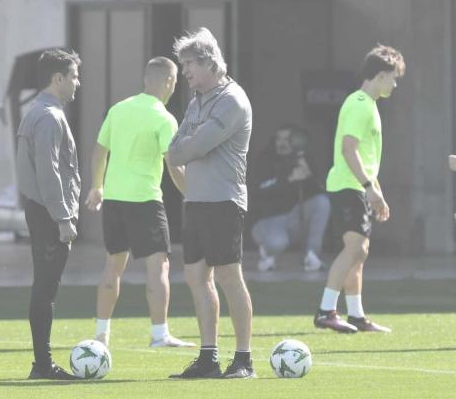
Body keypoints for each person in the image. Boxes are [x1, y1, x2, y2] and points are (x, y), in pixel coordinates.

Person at [85, 57, 195, 349]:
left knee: (112, 267)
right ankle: (159, 335)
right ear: (170, 82)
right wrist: (192, 195)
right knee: (158, 268)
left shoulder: (119, 109)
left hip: (114, 200)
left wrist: (97, 186)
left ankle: (100, 335)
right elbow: (173, 165)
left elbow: (99, 151)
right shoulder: (164, 118)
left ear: (146, 79)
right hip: (145, 200)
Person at [167, 27, 255, 379]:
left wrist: (187, 144)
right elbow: (173, 150)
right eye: (182, 64)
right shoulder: (196, 101)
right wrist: (186, 144)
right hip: (197, 201)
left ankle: (244, 359)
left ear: (209, 63)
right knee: (195, 276)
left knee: (230, 278)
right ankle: (208, 357)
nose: (185, 72)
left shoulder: (232, 100)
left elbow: (192, 148)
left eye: (189, 64)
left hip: (224, 201)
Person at [314, 44, 405, 333]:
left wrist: (376, 191)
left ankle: (356, 316)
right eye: (393, 77)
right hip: (347, 186)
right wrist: (368, 186)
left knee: (359, 252)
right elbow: (348, 149)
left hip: (358, 186)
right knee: (356, 248)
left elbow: (366, 156)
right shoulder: (359, 104)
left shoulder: (369, 105)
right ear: (380, 75)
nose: (395, 83)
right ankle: (326, 310)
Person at [16, 49, 81, 380]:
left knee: (44, 286)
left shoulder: (39, 112)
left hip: (40, 211)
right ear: (58, 79)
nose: (77, 83)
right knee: (45, 288)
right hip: (47, 214)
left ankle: (42, 363)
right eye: (73, 76)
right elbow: (49, 171)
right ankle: (42, 365)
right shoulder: (49, 116)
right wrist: (63, 218)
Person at [251, 124, 329, 272]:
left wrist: (308, 176)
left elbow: (319, 191)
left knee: (322, 202)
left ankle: (311, 256)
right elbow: (259, 190)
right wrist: (288, 179)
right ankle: (266, 252)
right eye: (279, 139)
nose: (282, 143)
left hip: (293, 221)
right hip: (266, 222)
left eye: (287, 139)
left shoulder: (303, 159)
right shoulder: (264, 159)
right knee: (278, 242)